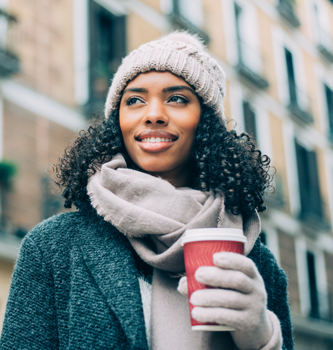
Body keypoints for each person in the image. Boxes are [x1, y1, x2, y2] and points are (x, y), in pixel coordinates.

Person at [0, 32, 293, 350]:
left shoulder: (259, 266)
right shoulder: (51, 247)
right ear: (118, 123)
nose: (153, 114)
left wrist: (262, 336)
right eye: (135, 100)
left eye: (177, 98)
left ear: (205, 123)